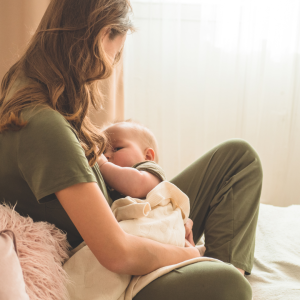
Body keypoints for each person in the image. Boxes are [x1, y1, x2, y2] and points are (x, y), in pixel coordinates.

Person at [0, 1, 262, 299]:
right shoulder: (45, 126)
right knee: (230, 284)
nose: (113, 64)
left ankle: (219, 269)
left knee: (238, 158)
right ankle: (217, 271)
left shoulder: (25, 87)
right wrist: (189, 255)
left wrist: (170, 220)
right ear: (102, 35)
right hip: (111, 272)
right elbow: (117, 253)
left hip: (123, 218)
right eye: (117, 50)